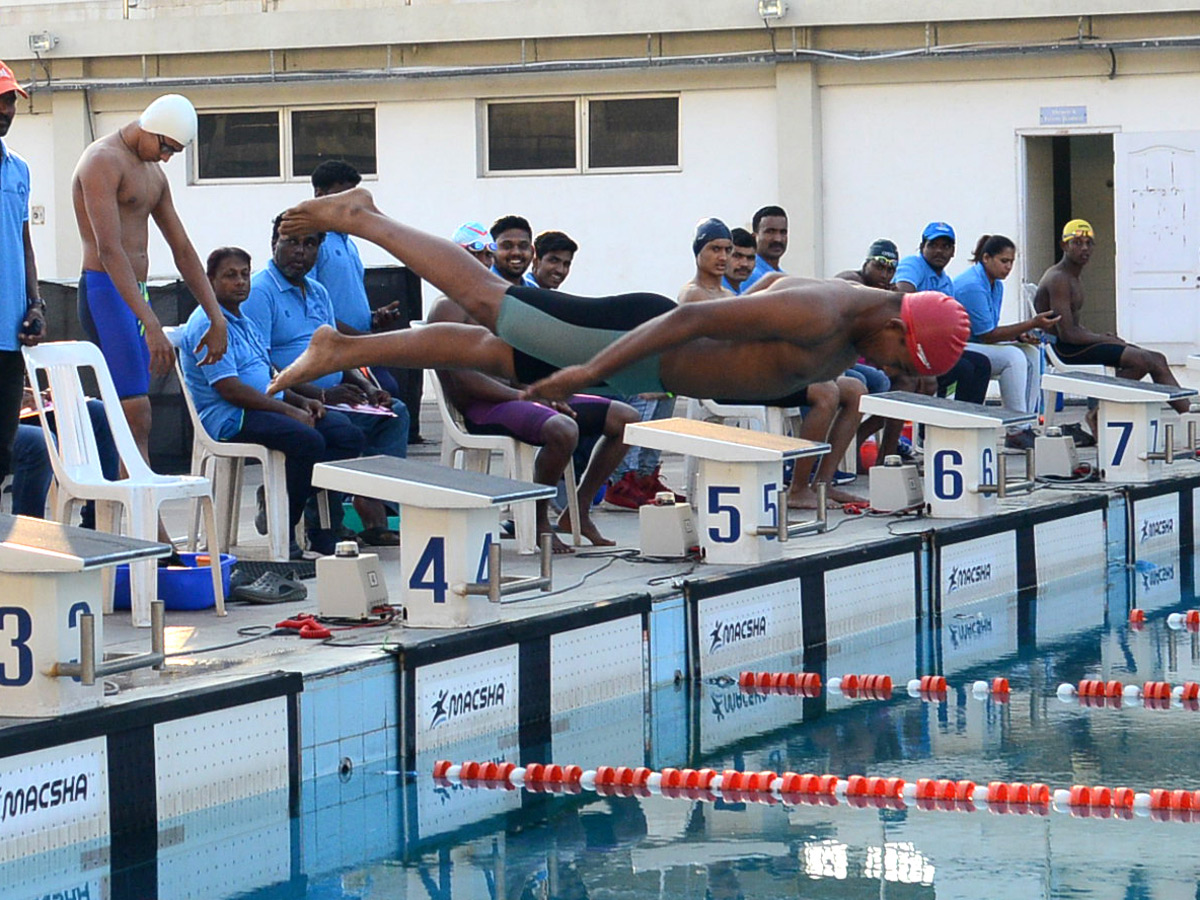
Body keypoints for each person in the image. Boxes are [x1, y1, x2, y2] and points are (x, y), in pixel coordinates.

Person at [266, 190, 972, 413]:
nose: (903, 375)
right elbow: (690, 317)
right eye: (903, 363)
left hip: (647, 372)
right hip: (638, 339)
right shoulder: (824, 314)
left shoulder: (853, 323)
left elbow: (761, 288)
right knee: (489, 301)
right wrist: (580, 371)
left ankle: (343, 349)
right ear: (894, 326)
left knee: (491, 349)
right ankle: (361, 217)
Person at [431, 226, 638, 550]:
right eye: (480, 253)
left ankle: (578, 510)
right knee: (563, 429)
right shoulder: (448, 308)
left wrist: (546, 391)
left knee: (626, 419)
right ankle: (538, 520)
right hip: (482, 408)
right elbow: (463, 381)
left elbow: (526, 366)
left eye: (487, 253)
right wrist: (527, 397)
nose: (483, 260)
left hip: (523, 397)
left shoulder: (506, 301)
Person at [71, 94, 228, 484]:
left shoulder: (153, 175)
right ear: (151, 129)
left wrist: (216, 315)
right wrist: (151, 322)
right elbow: (109, 251)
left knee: (137, 414)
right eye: (166, 147)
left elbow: (184, 250)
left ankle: (132, 516)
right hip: (105, 293)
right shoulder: (101, 161)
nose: (167, 158)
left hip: (132, 294)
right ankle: (145, 524)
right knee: (134, 411)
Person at [180, 248, 366, 558]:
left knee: (347, 435)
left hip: (264, 407)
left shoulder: (243, 319)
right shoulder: (208, 324)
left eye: (244, 274)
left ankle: (280, 496)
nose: (240, 282)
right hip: (231, 417)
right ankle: (286, 535)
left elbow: (267, 375)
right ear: (209, 281)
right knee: (306, 440)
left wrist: (304, 400)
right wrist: (290, 411)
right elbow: (231, 390)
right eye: (229, 276)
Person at [241, 215, 409, 550]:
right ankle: (308, 510)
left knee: (396, 414)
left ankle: (373, 518)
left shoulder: (318, 291)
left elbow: (336, 352)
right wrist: (319, 392)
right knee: (344, 429)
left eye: (310, 244)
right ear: (273, 243)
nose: (300, 251)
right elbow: (260, 363)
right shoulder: (259, 291)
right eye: (291, 242)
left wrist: (368, 389)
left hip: (333, 395)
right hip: (293, 399)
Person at [1035, 218, 1191, 428]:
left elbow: (1074, 328)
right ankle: (1100, 414)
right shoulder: (1059, 279)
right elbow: (1068, 334)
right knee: (1143, 360)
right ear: (1064, 245)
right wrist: (1104, 338)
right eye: (1077, 242)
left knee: (1156, 358)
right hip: (1064, 350)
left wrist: (1105, 338)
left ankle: (1191, 418)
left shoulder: (1073, 276)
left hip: (1073, 344)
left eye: (1089, 243)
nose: (1084, 248)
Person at [954, 234, 1061, 449]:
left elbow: (990, 331)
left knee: (1030, 352)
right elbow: (988, 335)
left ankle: (1025, 423)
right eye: (1004, 261)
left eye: (1011, 262)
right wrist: (1031, 323)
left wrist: (1018, 336)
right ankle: (1016, 429)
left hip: (976, 342)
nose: (1009, 267)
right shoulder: (973, 285)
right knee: (1013, 357)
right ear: (986, 258)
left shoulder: (996, 284)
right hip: (958, 346)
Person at [0, 60, 46, 485]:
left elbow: (23, 242)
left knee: (3, 452)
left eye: (10, 99)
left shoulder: (19, 169)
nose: (5, 109)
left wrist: (35, 304)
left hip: (7, 338)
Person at [893, 221, 992, 404]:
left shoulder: (945, 282)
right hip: (905, 344)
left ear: (953, 252)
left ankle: (966, 424)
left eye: (945, 246)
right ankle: (928, 426)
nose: (939, 251)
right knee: (963, 368)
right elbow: (902, 297)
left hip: (930, 347)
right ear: (922, 247)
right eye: (933, 245)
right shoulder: (913, 265)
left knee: (981, 364)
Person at [677, 218, 734, 304]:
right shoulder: (693, 293)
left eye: (728, 250)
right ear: (698, 253)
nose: (723, 257)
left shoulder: (729, 294)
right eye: (716, 249)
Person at [740, 205, 789, 292]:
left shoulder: (782, 276)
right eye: (770, 232)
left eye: (783, 232)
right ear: (754, 237)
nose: (778, 239)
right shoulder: (747, 274)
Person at [490, 215, 534, 287]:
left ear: (532, 252)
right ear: (492, 251)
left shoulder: (534, 291)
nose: (516, 252)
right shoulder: (479, 289)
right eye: (507, 246)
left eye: (523, 246)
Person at [722, 227, 758, 295]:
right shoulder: (711, 295)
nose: (744, 264)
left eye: (750, 258)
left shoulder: (738, 292)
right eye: (737, 256)